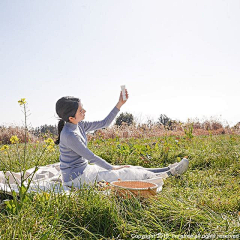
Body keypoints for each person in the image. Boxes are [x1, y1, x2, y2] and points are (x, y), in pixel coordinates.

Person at [55, 89, 189, 188]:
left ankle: (166, 169)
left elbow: (104, 123)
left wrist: (119, 104)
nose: (84, 111)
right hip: (76, 179)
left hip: (85, 171)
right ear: (71, 118)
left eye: (82, 108)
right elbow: (91, 157)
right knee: (125, 172)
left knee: (130, 167)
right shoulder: (69, 135)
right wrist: (111, 168)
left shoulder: (79, 125)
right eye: (80, 111)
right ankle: (169, 174)